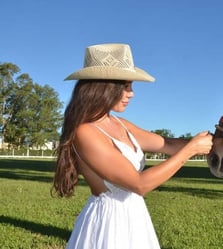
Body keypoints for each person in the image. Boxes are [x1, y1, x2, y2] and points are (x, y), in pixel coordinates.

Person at [52, 43, 213, 249]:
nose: (132, 94)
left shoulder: (119, 123)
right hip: (109, 224)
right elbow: (139, 184)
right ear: (106, 88)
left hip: (135, 217)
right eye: (127, 87)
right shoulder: (85, 132)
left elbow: (168, 144)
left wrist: (220, 142)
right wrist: (190, 150)